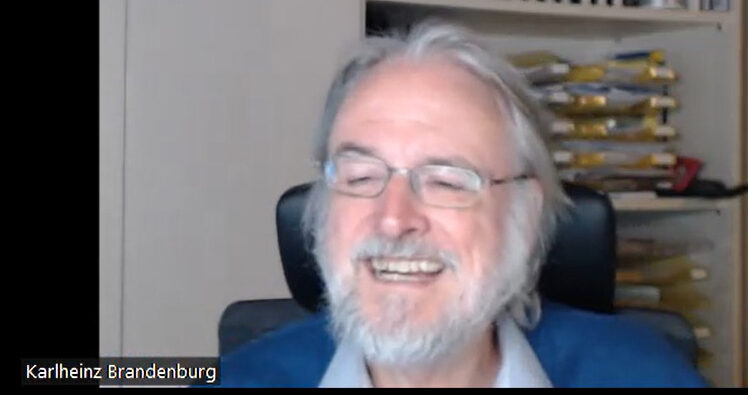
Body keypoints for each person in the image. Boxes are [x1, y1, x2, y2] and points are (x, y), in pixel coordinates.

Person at [219, 20, 707, 388]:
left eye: (448, 182)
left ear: (525, 212)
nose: (393, 219)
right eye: (361, 176)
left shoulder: (651, 376)